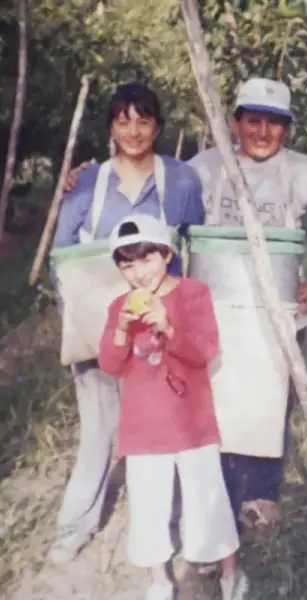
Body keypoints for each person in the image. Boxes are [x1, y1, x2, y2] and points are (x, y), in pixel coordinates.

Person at [61, 78, 307, 530]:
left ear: (287, 129)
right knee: (211, 396)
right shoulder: (203, 167)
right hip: (210, 301)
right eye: (252, 120)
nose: (262, 132)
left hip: (275, 302)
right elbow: (151, 194)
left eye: (274, 124)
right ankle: (214, 492)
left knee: (270, 398)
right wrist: (86, 178)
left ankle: (260, 494)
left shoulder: (306, 171)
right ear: (235, 122)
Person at [48, 82, 205, 564]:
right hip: (100, 325)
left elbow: (191, 248)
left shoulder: (180, 180)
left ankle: (173, 521)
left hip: (158, 326)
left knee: (165, 422)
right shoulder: (90, 182)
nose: (133, 131)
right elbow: (62, 254)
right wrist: (77, 312)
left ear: (157, 126)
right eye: (122, 121)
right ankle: (74, 527)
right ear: (110, 127)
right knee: (99, 428)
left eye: (143, 120)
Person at [98, 213, 246, 600]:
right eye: (127, 264)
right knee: (148, 506)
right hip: (143, 426)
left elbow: (205, 351)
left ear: (166, 254)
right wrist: (120, 331)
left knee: (206, 498)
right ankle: (159, 580)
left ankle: (230, 572)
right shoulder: (119, 306)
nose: (138, 273)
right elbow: (112, 365)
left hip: (191, 420)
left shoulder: (193, 293)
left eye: (146, 259)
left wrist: (168, 326)